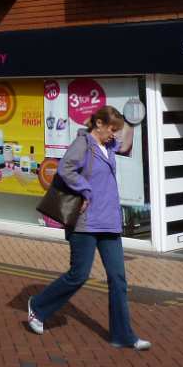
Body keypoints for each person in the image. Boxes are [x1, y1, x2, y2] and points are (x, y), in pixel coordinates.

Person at [27, 105, 151, 351]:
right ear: (98, 125)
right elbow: (65, 169)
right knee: (79, 275)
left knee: (118, 279)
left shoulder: (108, 146)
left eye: (116, 130)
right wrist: (85, 189)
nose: (113, 134)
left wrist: (123, 126)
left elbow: (122, 143)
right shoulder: (83, 143)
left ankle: (123, 335)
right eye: (111, 129)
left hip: (109, 222)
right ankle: (38, 307)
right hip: (85, 223)